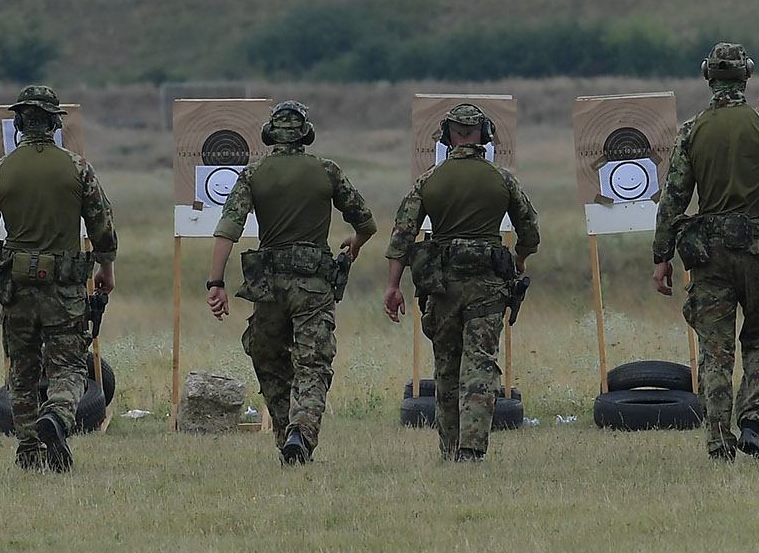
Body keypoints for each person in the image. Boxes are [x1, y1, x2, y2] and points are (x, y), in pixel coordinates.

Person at [205, 102, 378, 466]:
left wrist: (215, 282)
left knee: (268, 357)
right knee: (313, 364)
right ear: (306, 134)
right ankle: (301, 431)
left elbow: (228, 229)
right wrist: (356, 243)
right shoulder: (327, 171)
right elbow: (366, 222)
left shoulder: (253, 174)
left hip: (268, 287)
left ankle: (288, 434)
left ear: (270, 135)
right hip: (314, 287)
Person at [652, 42, 759, 462]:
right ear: (746, 75)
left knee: (715, 353)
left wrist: (661, 255)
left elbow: (673, 198)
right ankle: (754, 426)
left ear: (708, 77)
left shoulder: (692, 130)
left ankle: (719, 441)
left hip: (708, 255)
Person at [0, 86, 117, 473]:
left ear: (18, 123)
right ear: (54, 123)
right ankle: (58, 417)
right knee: (70, 368)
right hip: (64, 290)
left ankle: (29, 452)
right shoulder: (78, 168)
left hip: (16, 290)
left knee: (22, 371)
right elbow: (102, 226)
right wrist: (106, 268)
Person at [382, 103, 542, 462]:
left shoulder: (428, 180)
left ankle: (450, 449)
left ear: (447, 135)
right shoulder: (502, 179)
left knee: (447, 366)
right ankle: (472, 449)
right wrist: (519, 260)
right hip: (488, 288)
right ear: (485, 135)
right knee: (480, 365)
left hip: (443, 288)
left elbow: (402, 237)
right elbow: (530, 232)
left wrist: (392, 287)